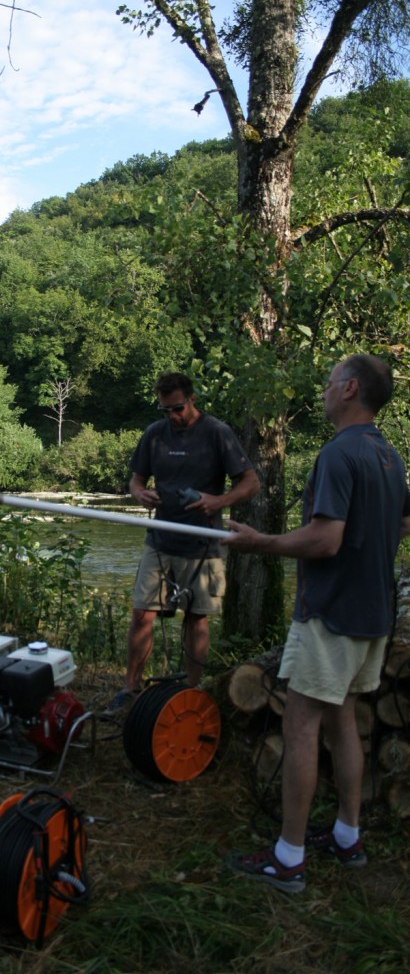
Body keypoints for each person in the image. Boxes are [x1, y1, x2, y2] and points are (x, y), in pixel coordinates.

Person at [225, 353, 410, 894]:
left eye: (331, 382)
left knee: (301, 724)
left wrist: (260, 542)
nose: (325, 390)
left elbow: (325, 539)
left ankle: (288, 859)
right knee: (343, 718)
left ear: (350, 388)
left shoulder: (339, 454)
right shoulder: (389, 455)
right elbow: (400, 523)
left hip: (331, 611)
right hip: (375, 613)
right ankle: (348, 837)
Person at [108, 372, 260, 710]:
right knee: (141, 614)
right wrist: (140, 494)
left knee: (197, 617)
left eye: (177, 408)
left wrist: (218, 501)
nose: (172, 416)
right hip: (160, 540)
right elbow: (135, 480)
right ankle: (130, 688)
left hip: (204, 543)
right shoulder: (154, 434)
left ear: (192, 400)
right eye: (165, 410)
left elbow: (251, 483)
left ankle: (191, 690)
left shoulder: (217, 432)